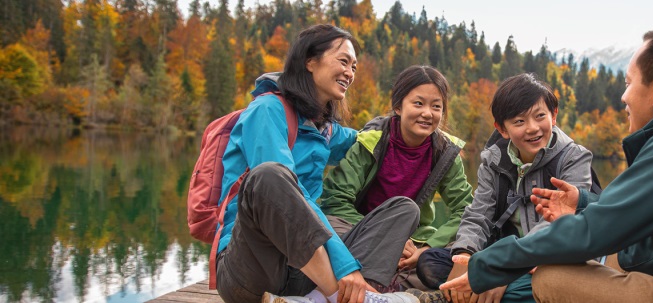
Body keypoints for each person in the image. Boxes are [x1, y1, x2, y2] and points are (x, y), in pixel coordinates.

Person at [440, 27, 653, 302]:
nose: (623, 96)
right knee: (609, 256)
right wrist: (586, 202)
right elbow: (630, 215)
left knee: (551, 278)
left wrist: (485, 266)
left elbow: (593, 232)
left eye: (628, 82)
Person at [213, 24, 419, 303]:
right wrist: (345, 265)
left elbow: (362, 140)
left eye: (354, 67)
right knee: (271, 175)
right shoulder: (266, 111)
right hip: (250, 272)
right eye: (343, 61)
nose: (350, 72)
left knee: (403, 209)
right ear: (310, 61)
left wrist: (405, 124)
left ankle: (347, 294)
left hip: (302, 271)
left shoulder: (323, 130)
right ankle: (338, 295)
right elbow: (282, 192)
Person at [430, 73, 595, 303]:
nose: (533, 128)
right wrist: (464, 256)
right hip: (501, 250)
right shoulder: (494, 159)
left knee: (533, 286)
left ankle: (477, 291)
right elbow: (479, 214)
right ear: (502, 128)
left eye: (540, 116)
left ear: (554, 115)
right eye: (519, 121)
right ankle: (478, 288)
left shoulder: (573, 158)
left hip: (550, 256)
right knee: (431, 262)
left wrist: (503, 271)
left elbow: (557, 226)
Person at [319, 65, 474, 298]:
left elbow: (465, 208)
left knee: (461, 256)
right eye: (418, 103)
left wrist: (427, 247)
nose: (427, 113)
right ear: (398, 106)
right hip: (359, 232)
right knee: (325, 231)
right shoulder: (371, 141)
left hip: (413, 243)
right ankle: (388, 287)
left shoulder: (445, 152)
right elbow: (335, 200)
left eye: (436, 106)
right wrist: (388, 238)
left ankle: (384, 286)